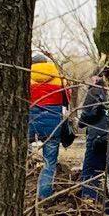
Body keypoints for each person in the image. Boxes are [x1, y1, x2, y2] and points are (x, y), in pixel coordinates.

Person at [28, 58, 70, 200]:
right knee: (49, 162)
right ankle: (44, 196)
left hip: (29, 122)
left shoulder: (26, 77)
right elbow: (67, 100)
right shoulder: (59, 79)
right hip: (52, 125)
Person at [79, 66, 109, 201]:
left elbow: (87, 112)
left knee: (89, 167)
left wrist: (80, 123)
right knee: (102, 167)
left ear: (95, 77)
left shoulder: (94, 91)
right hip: (107, 135)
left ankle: (88, 198)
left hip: (95, 134)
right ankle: (102, 198)